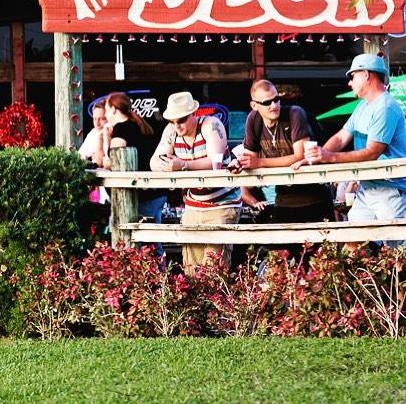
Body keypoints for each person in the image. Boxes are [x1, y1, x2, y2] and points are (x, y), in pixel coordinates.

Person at [299, 54, 406, 247]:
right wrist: (315, 156)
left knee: (396, 251)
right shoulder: (363, 106)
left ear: (366, 74)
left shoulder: (385, 107)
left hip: (390, 188)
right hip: (367, 187)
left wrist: (329, 157)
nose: (349, 83)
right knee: (352, 241)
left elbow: (372, 152)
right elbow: (341, 137)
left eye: (352, 76)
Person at [150, 91, 242, 273]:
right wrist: (168, 166)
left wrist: (182, 165)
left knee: (214, 267)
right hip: (193, 204)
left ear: (194, 113)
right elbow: (154, 162)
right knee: (191, 267)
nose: (177, 125)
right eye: (172, 121)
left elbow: (214, 162)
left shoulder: (211, 124)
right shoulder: (171, 131)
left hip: (222, 203)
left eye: (181, 120)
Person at [234, 79, 334, 226]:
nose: (274, 105)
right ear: (254, 105)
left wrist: (260, 162)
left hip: (315, 196)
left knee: (321, 240)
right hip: (283, 198)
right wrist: (239, 163)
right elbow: (250, 160)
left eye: (276, 99)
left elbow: (299, 156)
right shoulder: (253, 119)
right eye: (267, 102)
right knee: (276, 239)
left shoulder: (295, 113)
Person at [101, 92, 166, 257]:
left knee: (132, 243)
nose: (106, 115)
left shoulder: (121, 128)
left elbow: (114, 161)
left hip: (139, 196)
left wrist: (106, 140)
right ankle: (160, 271)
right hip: (155, 191)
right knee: (153, 243)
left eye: (107, 110)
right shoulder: (141, 125)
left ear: (114, 109)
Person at [79, 99, 109, 204]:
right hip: (97, 182)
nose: (97, 122)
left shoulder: (114, 132)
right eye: (95, 119)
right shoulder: (92, 133)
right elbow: (80, 155)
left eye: (102, 119)